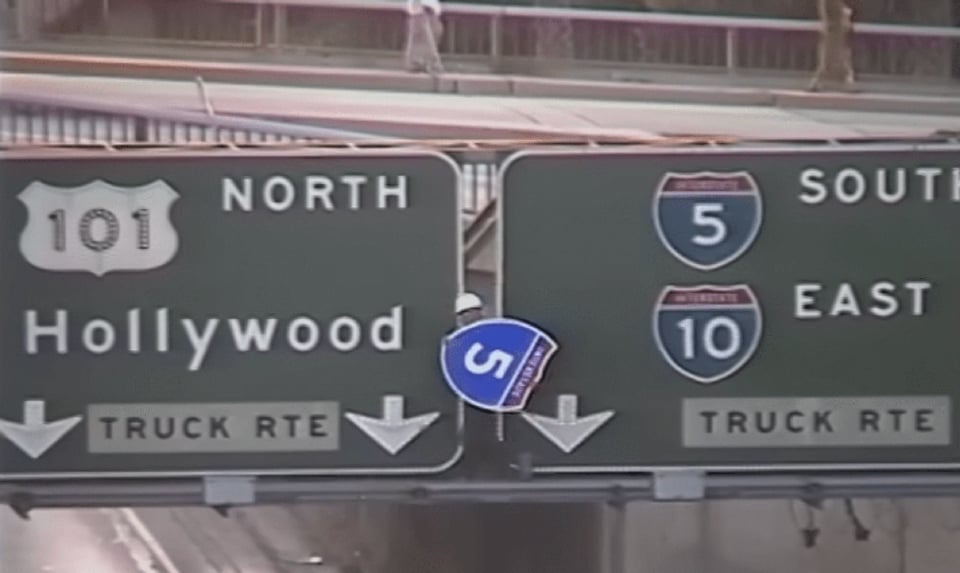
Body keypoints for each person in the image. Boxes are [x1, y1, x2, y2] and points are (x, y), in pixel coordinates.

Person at [404, 0, 445, 75]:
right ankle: (430, 64)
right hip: (420, 7)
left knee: (434, 32)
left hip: (432, 9)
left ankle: (421, 63)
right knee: (423, 35)